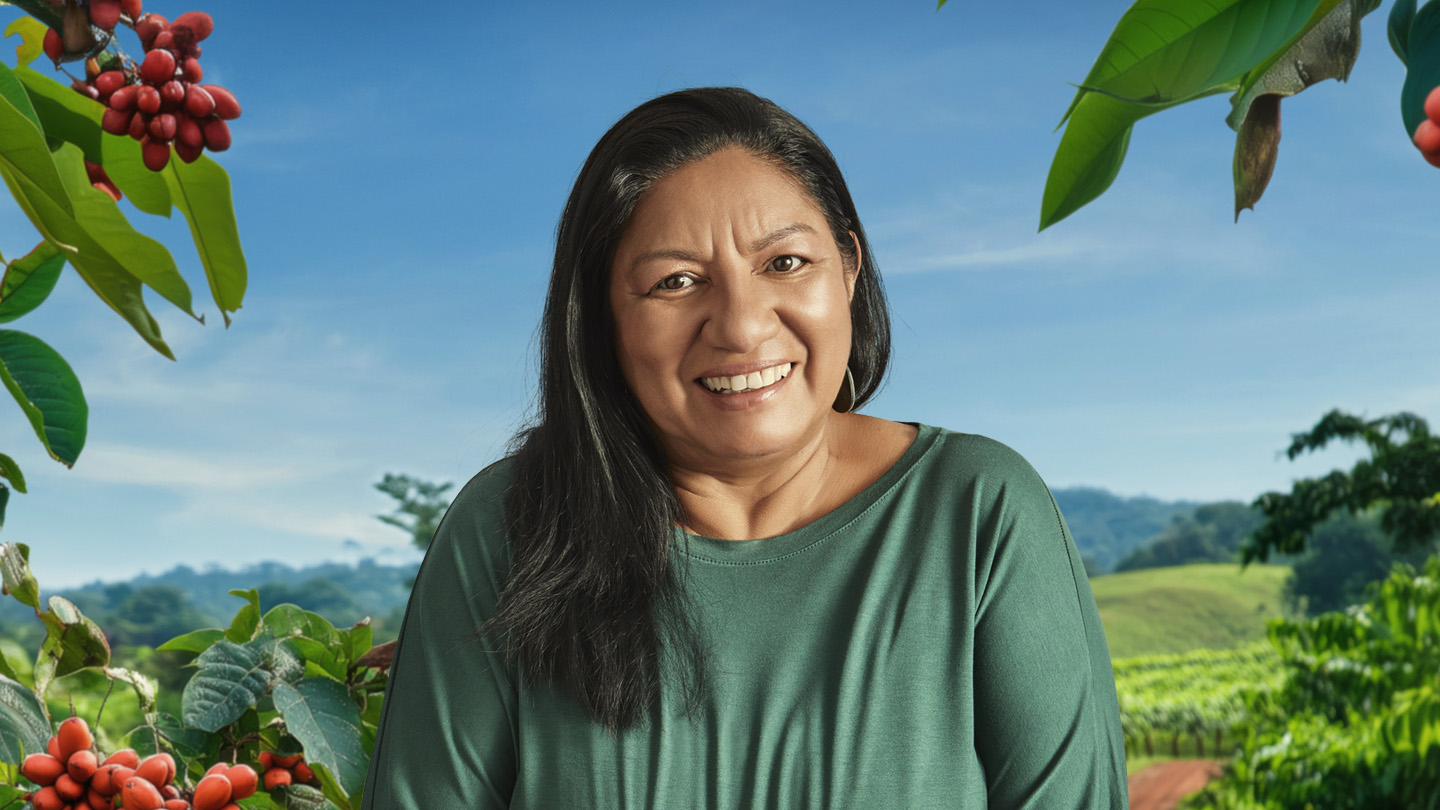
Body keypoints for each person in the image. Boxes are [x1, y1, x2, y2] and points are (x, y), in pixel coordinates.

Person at [360, 86, 1129, 809]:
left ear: (850, 271)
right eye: (676, 282)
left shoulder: (978, 514)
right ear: (600, 317)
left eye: (785, 264)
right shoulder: (506, 528)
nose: (740, 325)